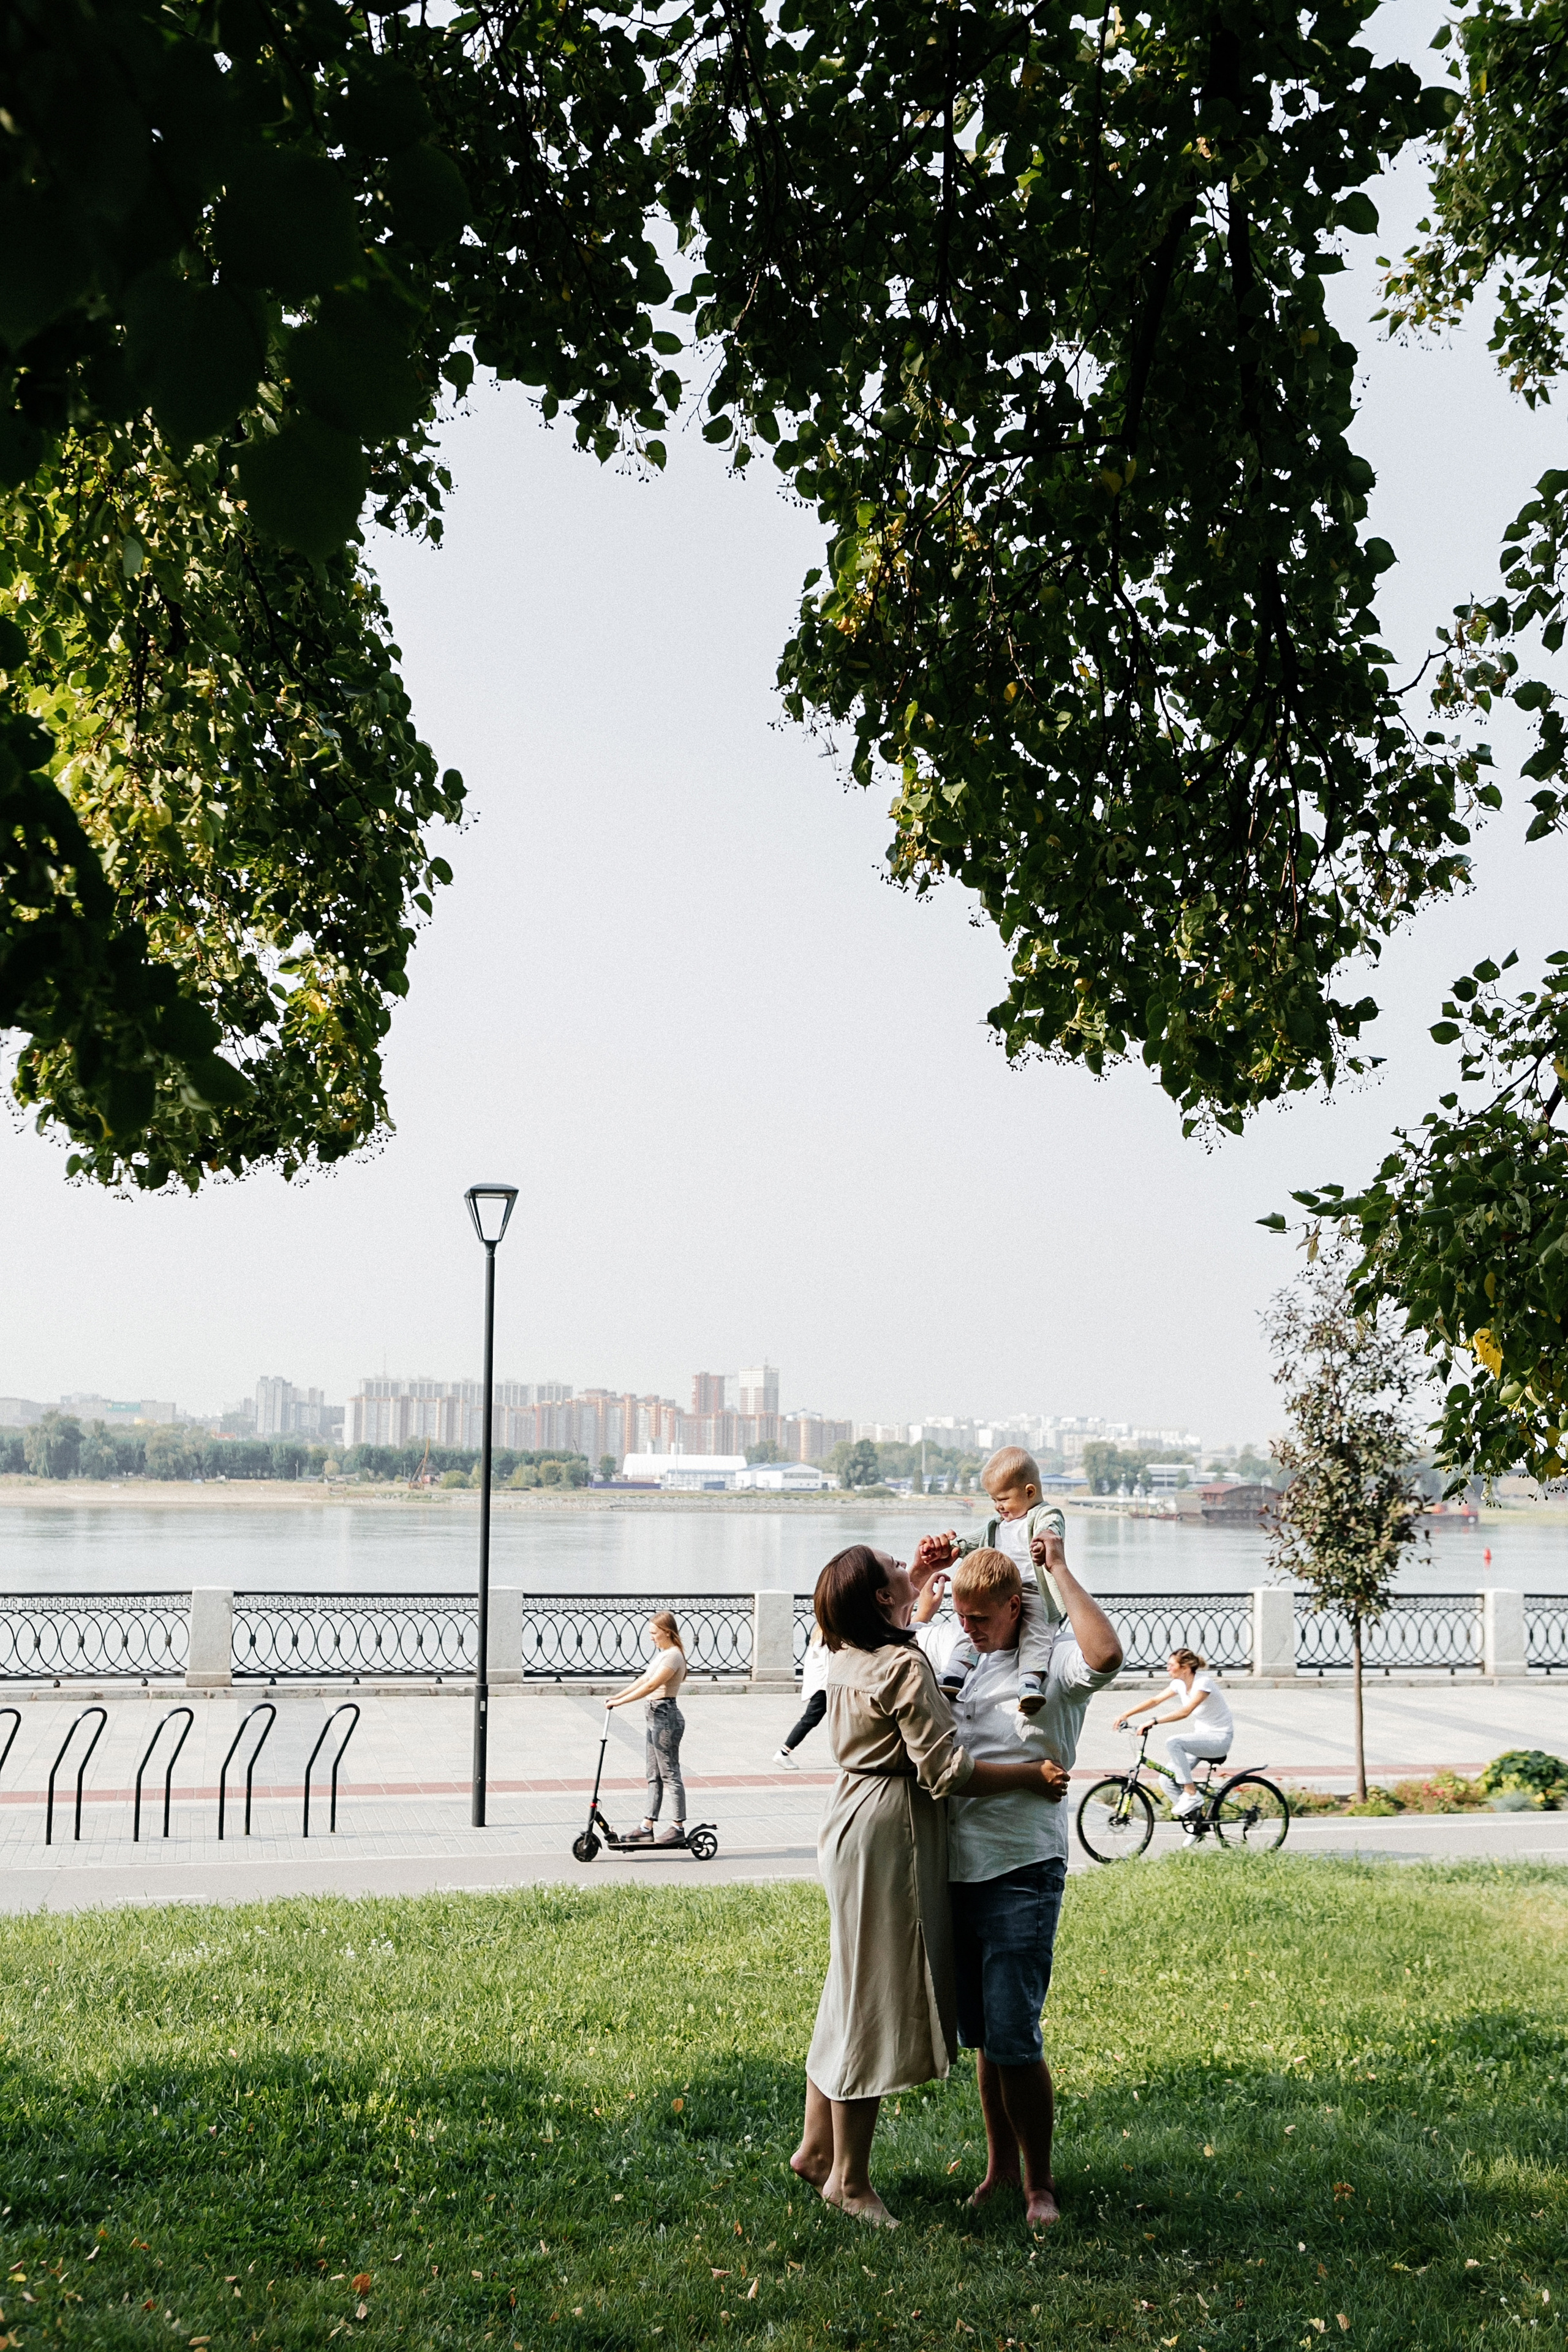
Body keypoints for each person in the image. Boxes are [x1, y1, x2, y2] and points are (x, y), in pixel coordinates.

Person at [791, 1544, 1070, 2230]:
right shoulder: (904, 1663)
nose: (906, 1567)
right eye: (895, 1569)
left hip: (848, 1816)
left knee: (845, 1983)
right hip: (893, 1826)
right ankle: (849, 2182)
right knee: (871, 1999)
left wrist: (909, 1586)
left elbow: (888, 1618)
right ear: (885, 1601)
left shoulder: (842, 1651)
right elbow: (946, 1771)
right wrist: (1031, 1774)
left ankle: (815, 2147)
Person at [944, 1545, 1123, 2226]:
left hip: (1023, 1868)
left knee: (1016, 2036)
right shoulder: (960, 1651)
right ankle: (998, 2171)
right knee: (985, 2036)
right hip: (956, 1868)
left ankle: (1039, 2184)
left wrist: (1060, 1571)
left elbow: (1106, 1655)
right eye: (961, 1616)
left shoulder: (1053, 1665)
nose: (969, 1627)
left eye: (981, 1617)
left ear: (1014, 1605)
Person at [919, 1448, 1071, 1713]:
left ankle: (1030, 1682)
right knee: (974, 1630)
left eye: (1003, 1499)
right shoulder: (997, 1525)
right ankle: (956, 1673)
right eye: (994, 1500)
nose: (998, 1507)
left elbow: (1052, 1528)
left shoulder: (1043, 1515)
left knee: (1036, 1633)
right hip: (999, 1589)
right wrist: (950, 1547)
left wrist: (1045, 1541)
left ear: (1030, 1492)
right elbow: (972, 1541)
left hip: (1033, 1590)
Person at [1114, 1646, 1234, 1820]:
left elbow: (1186, 1712)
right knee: (1166, 1780)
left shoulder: (1203, 1683)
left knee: (1174, 1742)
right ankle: (1195, 1823)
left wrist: (1154, 1721)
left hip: (1219, 1739)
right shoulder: (1179, 1684)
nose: (1167, 1668)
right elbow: (1154, 1700)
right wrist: (1126, 1714)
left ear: (1185, 1668)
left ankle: (1191, 1793)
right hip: (1201, 1740)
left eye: (1171, 1665)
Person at [606, 1609, 688, 1844]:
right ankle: (646, 1826)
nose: (651, 1637)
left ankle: (678, 1828)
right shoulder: (662, 1655)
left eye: (654, 1632)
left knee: (670, 1774)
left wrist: (620, 1703)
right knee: (653, 1775)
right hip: (654, 1717)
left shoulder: (673, 1656)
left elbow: (652, 1685)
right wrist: (615, 1698)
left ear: (667, 1632)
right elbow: (643, 1679)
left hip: (666, 1718)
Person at [774, 1619, 830, 1768]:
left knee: (841, 1719)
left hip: (823, 1686)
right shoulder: (827, 1637)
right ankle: (783, 1753)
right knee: (810, 1720)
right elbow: (828, 1666)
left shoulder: (820, 1635)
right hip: (824, 1687)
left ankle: (846, 1754)